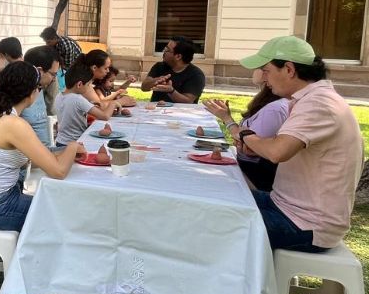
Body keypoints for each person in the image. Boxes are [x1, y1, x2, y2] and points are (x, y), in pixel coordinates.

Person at [234, 36, 362, 252]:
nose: (264, 78)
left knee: (214, 222)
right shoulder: (312, 99)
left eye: (266, 70)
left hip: (306, 223)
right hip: (285, 206)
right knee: (219, 197)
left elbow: (277, 152)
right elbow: (281, 146)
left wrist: (245, 134)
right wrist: (258, 147)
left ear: (289, 69)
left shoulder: (319, 103)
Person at [0, 61, 86, 232]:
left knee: (56, 206)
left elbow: (36, 157)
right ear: (32, 92)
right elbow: (58, 172)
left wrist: (64, 152)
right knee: (65, 214)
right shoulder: (13, 124)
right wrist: (72, 146)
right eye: (39, 88)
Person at [203, 69, 288, 191]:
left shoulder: (274, 109)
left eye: (262, 68)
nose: (254, 70)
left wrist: (227, 119)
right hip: (249, 169)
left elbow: (250, 147)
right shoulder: (270, 103)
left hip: (253, 176)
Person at [54, 63, 119, 147]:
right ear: (79, 84)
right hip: (76, 143)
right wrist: (113, 103)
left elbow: (71, 111)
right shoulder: (78, 99)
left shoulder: (59, 95)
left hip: (60, 141)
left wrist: (89, 105)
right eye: (88, 85)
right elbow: (105, 116)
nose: (89, 88)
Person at [141, 36, 206, 104]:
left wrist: (171, 91)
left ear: (178, 56)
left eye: (167, 50)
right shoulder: (159, 66)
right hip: (155, 109)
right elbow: (144, 87)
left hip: (180, 110)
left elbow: (188, 101)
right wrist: (155, 80)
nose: (164, 52)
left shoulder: (196, 75)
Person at [22, 45, 61, 148]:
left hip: (46, 151)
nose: (54, 79)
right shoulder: (20, 96)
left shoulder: (38, 89)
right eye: (53, 74)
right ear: (39, 71)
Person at [39, 28, 83, 115]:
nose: (47, 44)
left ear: (54, 38)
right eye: (46, 42)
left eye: (48, 42)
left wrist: (56, 72)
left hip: (74, 64)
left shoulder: (67, 46)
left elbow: (68, 65)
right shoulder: (54, 45)